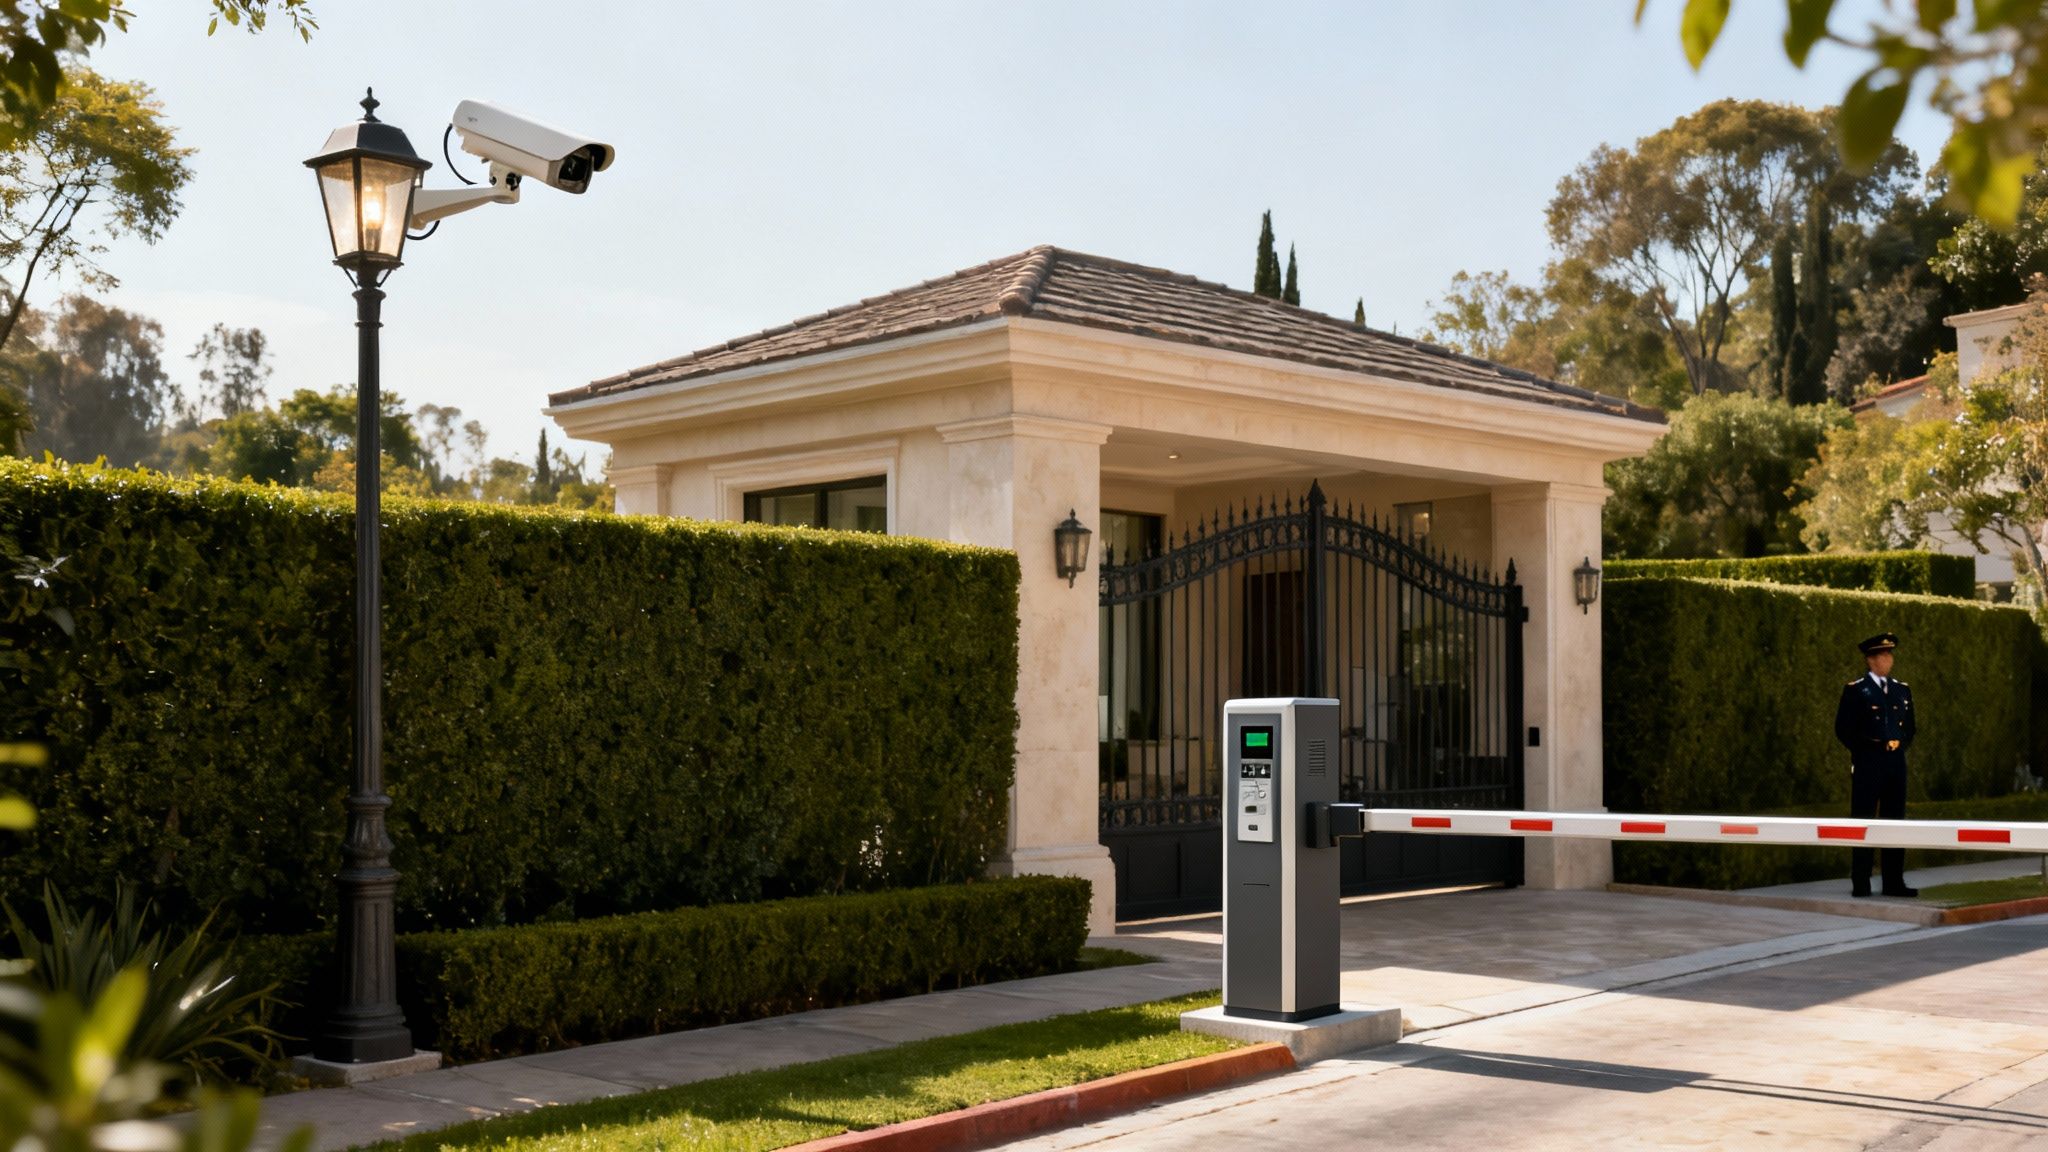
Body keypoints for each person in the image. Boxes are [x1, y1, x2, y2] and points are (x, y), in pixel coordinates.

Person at [1832, 632, 1916, 898]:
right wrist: (1865, 752)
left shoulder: (1902, 689)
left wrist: (1897, 746)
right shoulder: (1857, 690)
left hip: (1895, 761)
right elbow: (1844, 729)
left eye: (1889, 655)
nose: (1887, 660)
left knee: (1895, 821)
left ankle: (1893, 882)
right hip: (1869, 761)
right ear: (1870, 660)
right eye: (1882, 655)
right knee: (1863, 821)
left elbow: (1910, 728)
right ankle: (1861, 881)